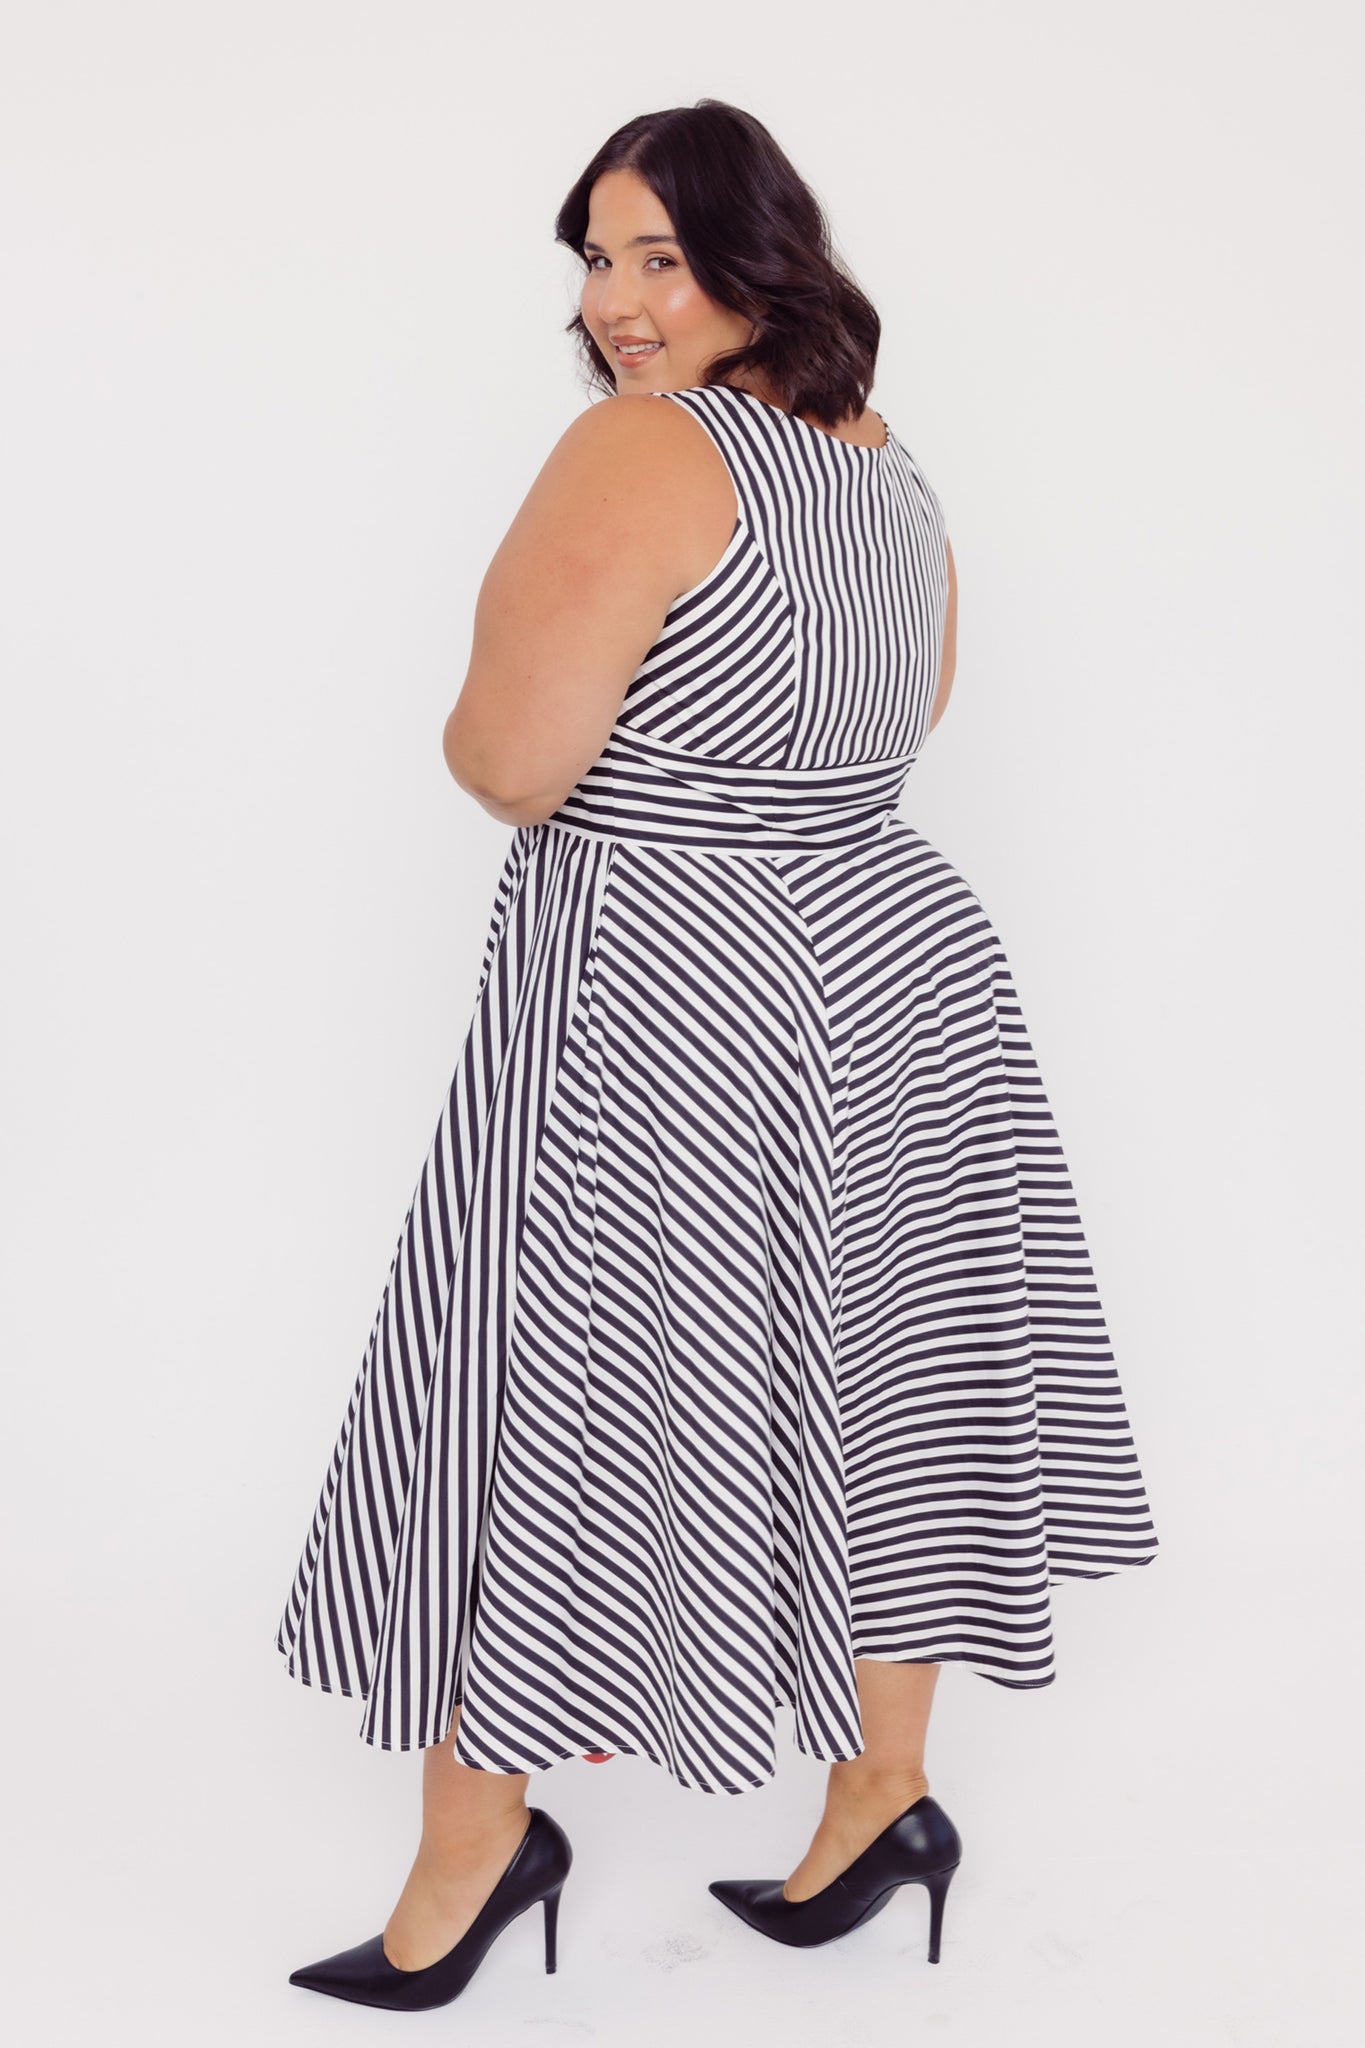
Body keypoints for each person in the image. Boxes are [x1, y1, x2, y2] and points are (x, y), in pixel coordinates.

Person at [278, 99, 1161, 2012]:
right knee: (882, 1379)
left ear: (761, 262)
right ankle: (883, 1800)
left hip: (677, 996)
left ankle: (473, 1855)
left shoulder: (643, 448)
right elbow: (909, 709)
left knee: (550, 1383)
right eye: (595, 261)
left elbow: (512, 761)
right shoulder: (885, 466)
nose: (616, 304)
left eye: (659, 259)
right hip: (898, 969)